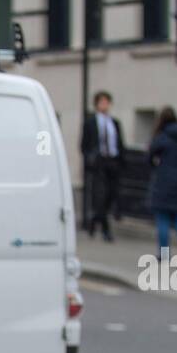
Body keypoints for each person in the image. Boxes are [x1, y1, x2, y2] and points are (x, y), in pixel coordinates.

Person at [146, 107, 177, 259]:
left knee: (163, 219)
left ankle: (164, 253)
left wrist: (155, 165)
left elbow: (149, 156)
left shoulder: (163, 136)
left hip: (164, 183)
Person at [80, 90, 124, 241]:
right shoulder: (91, 122)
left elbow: (120, 143)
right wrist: (89, 159)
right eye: (101, 102)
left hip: (112, 161)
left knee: (111, 195)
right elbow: (84, 144)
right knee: (100, 195)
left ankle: (94, 220)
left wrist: (121, 161)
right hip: (98, 162)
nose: (104, 105)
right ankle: (106, 231)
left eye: (106, 102)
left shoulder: (114, 123)